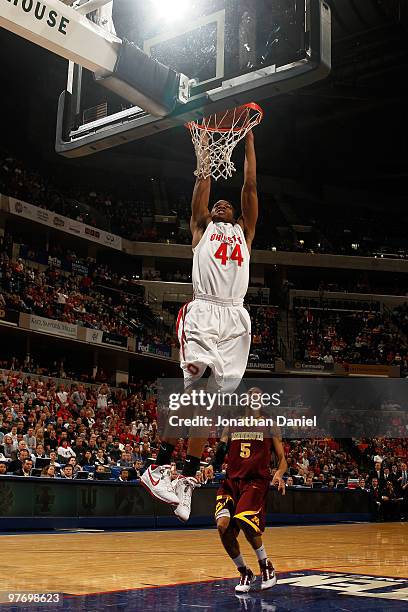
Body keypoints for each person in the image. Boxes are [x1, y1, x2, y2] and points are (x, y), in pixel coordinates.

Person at [142, 130, 259, 522]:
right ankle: (158, 465)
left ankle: (185, 480)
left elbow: (251, 187)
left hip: (236, 319)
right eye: (218, 205)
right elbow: (203, 183)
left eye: (229, 205)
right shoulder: (200, 227)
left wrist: (248, 139)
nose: (223, 205)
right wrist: (208, 146)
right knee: (199, 383)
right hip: (205, 313)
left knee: (207, 407)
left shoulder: (245, 232)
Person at [206, 402, 287, 594]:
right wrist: (211, 465)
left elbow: (282, 458)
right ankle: (244, 571)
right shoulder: (232, 423)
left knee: (244, 518)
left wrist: (279, 474)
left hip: (255, 481)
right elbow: (221, 449)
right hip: (232, 481)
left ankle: (266, 565)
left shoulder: (270, 424)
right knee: (222, 526)